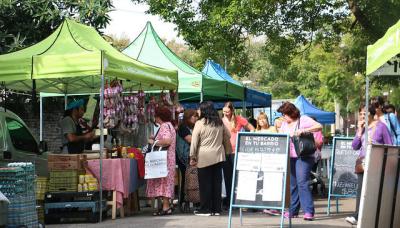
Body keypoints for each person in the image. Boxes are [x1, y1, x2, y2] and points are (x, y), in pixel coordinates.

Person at [345, 103, 393, 225]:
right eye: (360, 113)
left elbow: (390, 145)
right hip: (362, 164)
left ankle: (375, 216)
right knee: (360, 191)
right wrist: (360, 131)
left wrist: (377, 146)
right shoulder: (362, 128)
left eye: (364, 113)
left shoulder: (381, 127)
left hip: (377, 163)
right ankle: (357, 216)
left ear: (372, 114)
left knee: (374, 191)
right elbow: (355, 146)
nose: (362, 116)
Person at [277, 102, 323, 221]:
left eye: (285, 114)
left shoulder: (303, 119)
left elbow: (319, 126)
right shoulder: (284, 124)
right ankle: (293, 211)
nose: (283, 117)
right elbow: (282, 136)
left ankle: (308, 211)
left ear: (291, 112)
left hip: (304, 155)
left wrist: (303, 130)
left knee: (302, 182)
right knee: (293, 184)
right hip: (291, 156)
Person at [189, 101, 232, 216]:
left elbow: (194, 141)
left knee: (205, 184)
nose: (198, 111)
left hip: (204, 156)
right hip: (218, 156)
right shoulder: (219, 122)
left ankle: (205, 209)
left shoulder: (200, 123)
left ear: (203, 110)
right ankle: (216, 209)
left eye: (199, 109)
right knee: (216, 183)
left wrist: (192, 156)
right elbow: (228, 135)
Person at [221, 101, 255, 208]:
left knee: (238, 176)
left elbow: (251, 128)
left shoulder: (239, 119)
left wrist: (248, 140)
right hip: (226, 151)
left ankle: (239, 199)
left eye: (227, 111)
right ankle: (229, 200)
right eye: (224, 111)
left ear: (232, 110)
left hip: (237, 151)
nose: (225, 113)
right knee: (227, 177)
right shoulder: (221, 121)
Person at [146, 106, 176, 216]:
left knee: (164, 182)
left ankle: (166, 207)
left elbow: (167, 141)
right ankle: (165, 206)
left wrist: (153, 142)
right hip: (169, 158)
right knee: (166, 182)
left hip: (164, 159)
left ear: (159, 117)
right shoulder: (170, 125)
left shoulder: (164, 126)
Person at [176, 109, 198, 209]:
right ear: (188, 117)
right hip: (184, 157)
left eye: (196, 116)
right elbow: (190, 139)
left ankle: (193, 199)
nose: (196, 118)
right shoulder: (183, 127)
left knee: (191, 178)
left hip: (191, 156)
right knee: (186, 178)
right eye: (194, 116)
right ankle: (184, 200)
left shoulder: (193, 127)